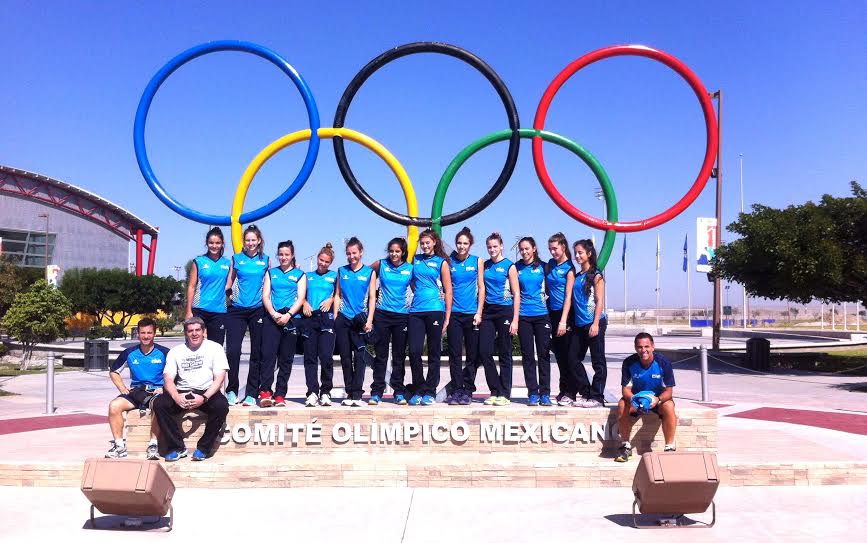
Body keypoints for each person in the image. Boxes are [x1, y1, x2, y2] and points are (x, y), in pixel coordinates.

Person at [152, 317, 230, 461]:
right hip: (182, 391)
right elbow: (168, 379)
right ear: (186, 334)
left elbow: (219, 378)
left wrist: (204, 397)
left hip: (206, 392)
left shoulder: (215, 348)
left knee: (221, 406)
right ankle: (176, 447)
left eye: (197, 330)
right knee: (160, 404)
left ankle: (203, 448)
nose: (194, 334)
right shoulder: (176, 352)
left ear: (204, 332)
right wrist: (176, 397)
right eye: (190, 331)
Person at [105, 317, 170, 460]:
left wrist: (165, 389)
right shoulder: (129, 353)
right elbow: (114, 371)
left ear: (154, 333)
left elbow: (174, 374)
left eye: (149, 333)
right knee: (114, 406)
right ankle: (119, 446)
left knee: (159, 405)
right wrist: (122, 388)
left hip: (156, 392)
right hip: (136, 392)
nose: (146, 336)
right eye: (142, 333)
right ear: (138, 334)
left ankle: (153, 445)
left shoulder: (165, 353)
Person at [224, 225, 269, 406]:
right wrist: (227, 298)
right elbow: (229, 283)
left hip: (258, 309)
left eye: (253, 240)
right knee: (233, 351)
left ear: (259, 241)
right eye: (247, 240)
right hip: (237, 310)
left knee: (256, 353)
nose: (250, 243)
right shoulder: (236, 259)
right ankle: (232, 390)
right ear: (244, 242)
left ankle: (252, 392)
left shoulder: (265, 260)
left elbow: (269, 284)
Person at [615, 333, 677, 462]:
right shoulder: (629, 362)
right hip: (636, 401)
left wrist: (657, 400)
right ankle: (625, 446)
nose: (643, 350)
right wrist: (633, 399)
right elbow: (625, 390)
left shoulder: (663, 362)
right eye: (639, 347)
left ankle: (669, 447)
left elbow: (669, 392)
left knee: (669, 405)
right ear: (635, 348)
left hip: (656, 401)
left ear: (653, 347)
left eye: (646, 346)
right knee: (622, 404)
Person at [407, 229, 452, 406]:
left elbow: (448, 291)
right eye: (422, 243)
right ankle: (418, 388)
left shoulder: (442, 263)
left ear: (434, 243)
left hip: (435, 310)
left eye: (428, 243)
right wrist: (419, 292)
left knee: (434, 352)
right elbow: (411, 281)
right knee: (414, 351)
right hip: (416, 311)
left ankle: (430, 390)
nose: (425, 246)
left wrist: (447, 318)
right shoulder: (415, 260)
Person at [259, 240, 306, 407]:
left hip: (291, 320)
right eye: (281, 254)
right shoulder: (271, 273)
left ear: (292, 255)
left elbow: (300, 298)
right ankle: (265, 392)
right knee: (268, 356)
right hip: (272, 319)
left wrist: (288, 315)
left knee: (286, 359)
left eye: (287, 254)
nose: (283, 257)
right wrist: (273, 313)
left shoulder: (300, 275)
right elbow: (265, 296)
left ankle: (280, 394)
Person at [564, 238, 607, 407]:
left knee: (598, 362)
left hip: (594, 323)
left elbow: (600, 301)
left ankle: (597, 397)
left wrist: (595, 323)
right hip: (578, 324)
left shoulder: (596, 275)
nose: (577, 256)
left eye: (580, 252)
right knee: (573, 359)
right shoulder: (577, 275)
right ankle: (587, 392)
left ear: (589, 254)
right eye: (575, 253)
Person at [334, 237, 376, 407]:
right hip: (343, 318)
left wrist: (370, 320)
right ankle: (349, 392)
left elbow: (372, 298)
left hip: (360, 319)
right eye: (349, 253)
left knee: (359, 357)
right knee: (345, 357)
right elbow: (337, 295)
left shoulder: (369, 272)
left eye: (354, 253)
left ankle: (357, 395)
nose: (351, 256)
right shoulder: (341, 271)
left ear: (361, 252)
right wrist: (336, 316)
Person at [370, 238, 412, 405]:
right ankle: (377, 392)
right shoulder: (381, 264)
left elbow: (419, 287)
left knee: (399, 357)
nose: (394, 254)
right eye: (391, 251)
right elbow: (364, 273)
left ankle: (399, 392)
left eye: (397, 251)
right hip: (382, 315)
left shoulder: (410, 269)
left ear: (403, 252)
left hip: (401, 316)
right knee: (381, 355)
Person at [479, 232, 519, 406]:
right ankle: (494, 390)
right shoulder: (485, 265)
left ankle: (504, 393)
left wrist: (515, 319)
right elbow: (481, 288)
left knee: (505, 352)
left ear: (501, 246)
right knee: (485, 351)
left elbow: (516, 293)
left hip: (504, 311)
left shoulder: (509, 266)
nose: (492, 249)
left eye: (495, 246)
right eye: (489, 247)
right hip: (488, 311)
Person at [445, 227, 484, 406]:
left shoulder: (477, 261)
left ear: (470, 245)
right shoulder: (448, 261)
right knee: (454, 354)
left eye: (465, 243)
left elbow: (482, 288)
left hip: (471, 314)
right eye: (459, 243)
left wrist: (479, 312)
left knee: (472, 354)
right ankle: (456, 389)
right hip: (454, 314)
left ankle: (468, 390)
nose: (462, 246)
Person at [515, 237, 552, 406]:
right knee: (528, 356)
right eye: (521, 249)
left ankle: (545, 393)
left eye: (527, 248)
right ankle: (533, 393)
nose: (524, 252)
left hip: (542, 315)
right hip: (524, 316)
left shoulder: (544, 266)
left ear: (534, 248)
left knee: (543, 355)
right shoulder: (516, 268)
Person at [301, 243, 337, 407]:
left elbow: (339, 295)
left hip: (327, 318)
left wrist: (331, 299)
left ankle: (326, 392)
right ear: (317, 258)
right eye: (321, 260)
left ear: (330, 263)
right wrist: (304, 303)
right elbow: (299, 294)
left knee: (326, 357)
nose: (323, 264)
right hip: (310, 317)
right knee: (309, 358)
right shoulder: (307, 276)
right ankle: (312, 392)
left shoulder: (334, 276)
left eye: (326, 262)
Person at [185, 226, 231, 345]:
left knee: (216, 348)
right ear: (207, 243)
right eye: (211, 243)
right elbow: (191, 286)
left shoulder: (227, 263)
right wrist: (188, 311)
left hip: (219, 311)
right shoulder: (199, 261)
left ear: (222, 244)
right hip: (200, 310)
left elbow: (230, 285)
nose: (214, 246)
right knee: (195, 346)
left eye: (217, 243)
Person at [546, 233, 575, 405]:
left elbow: (568, 296)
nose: (552, 252)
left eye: (555, 248)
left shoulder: (569, 268)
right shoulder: (550, 264)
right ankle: (563, 389)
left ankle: (570, 392)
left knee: (568, 355)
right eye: (550, 249)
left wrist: (564, 321)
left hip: (566, 315)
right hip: (552, 313)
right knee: (559, 355)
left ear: (563, 247)